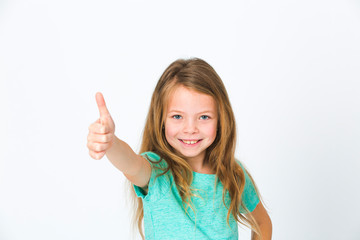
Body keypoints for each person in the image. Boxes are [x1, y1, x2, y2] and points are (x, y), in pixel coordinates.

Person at [87, 58, 272, 240]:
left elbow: (263, 223)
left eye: (204, 117)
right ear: (161, 120)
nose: (190, 129)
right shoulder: (156, 171)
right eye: (177, 116)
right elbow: (131, 164)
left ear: (221, 120)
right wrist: (111, 143)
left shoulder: (233, 173)